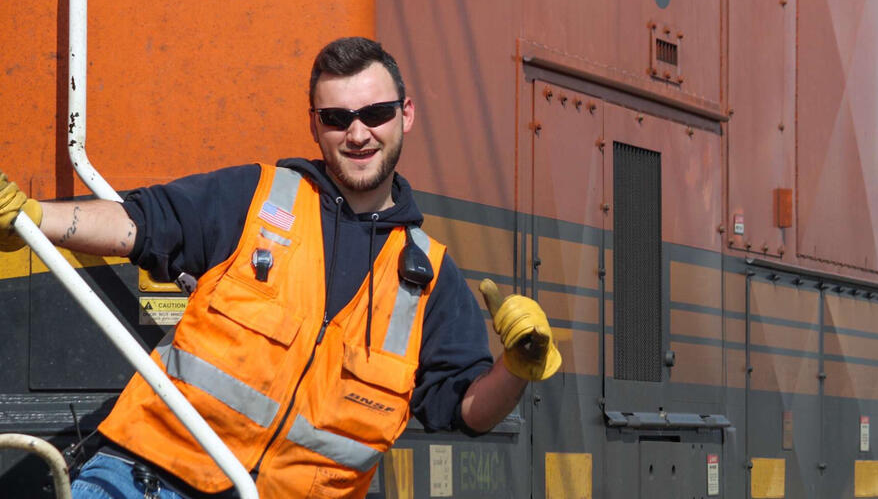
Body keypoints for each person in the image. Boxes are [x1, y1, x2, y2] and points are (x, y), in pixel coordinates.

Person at [0, 37, 561, 499]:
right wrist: (30, 216)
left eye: (376, 114)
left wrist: (516, 364)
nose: (358, 133)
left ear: (405, 115)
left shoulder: (428, 280)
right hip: (146, 481)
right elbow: (137, 224)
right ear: (315, 125)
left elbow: (467, 411)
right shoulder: (256, 196)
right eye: (338, 118)